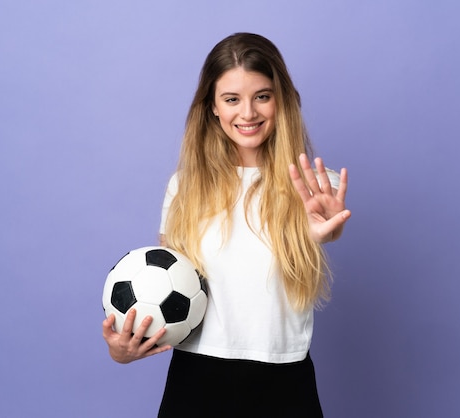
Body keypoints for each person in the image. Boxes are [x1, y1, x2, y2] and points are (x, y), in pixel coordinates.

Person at [102, 32, 350, 417]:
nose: (247, 113)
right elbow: (163, 288)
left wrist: (324, 228)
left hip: (284, 381)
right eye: (232, 99)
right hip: (196, 379)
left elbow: (329, 228)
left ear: (281, 100)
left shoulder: (316, 186)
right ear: (213, 107)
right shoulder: (185, 188)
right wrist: (122, 350)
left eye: (262, 96)